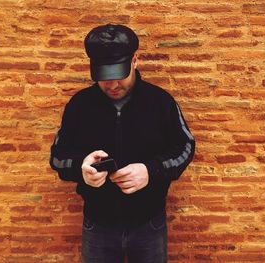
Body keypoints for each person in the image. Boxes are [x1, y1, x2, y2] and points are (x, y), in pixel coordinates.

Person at [49, 24, 195, 263]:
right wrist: (80, 168)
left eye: (119, 75)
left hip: (149, 224)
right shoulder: (79, 105)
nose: (113, 85)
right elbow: (57, 156)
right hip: (98, 226)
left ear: (135, 60)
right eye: (104, 78)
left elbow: (185, 147)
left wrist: (150, 170)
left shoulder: (160, 102)